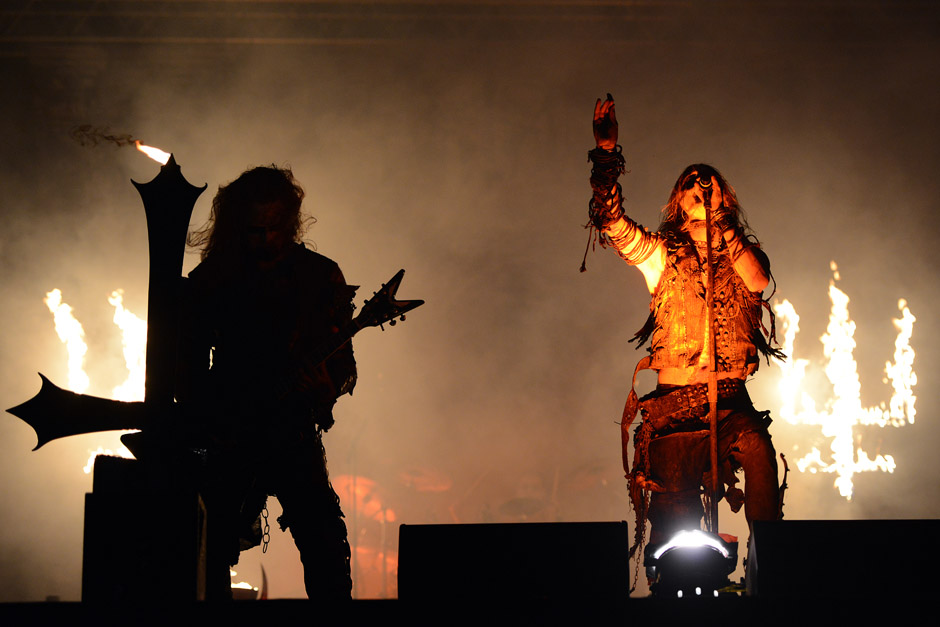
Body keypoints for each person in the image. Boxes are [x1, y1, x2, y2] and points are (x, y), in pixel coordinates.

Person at [585, 96, 784, 559]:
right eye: (691, 183)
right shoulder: (662, 254)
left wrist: (725, 229)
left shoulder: (743, 253)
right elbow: (614, 226)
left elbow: (759, 281)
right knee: (675, 532)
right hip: (675, 410)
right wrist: (606, 154)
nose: (700, 184)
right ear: (678, 200)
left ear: (724, 197)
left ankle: (772, 562)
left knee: (758, 452)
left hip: (730, 404)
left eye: (708, 182)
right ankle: (677, 581)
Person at [176, 165, 357, 601]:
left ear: (290, 221)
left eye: (274, 227)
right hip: (229, 435)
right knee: (207, 550)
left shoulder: (320, 276)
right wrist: (210, 423)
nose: (266, 239)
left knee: (326, 548)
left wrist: (325, 387)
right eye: (255, 230)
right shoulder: (213, 280)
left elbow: (344, 365)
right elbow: (187, 369)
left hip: (293, 432)